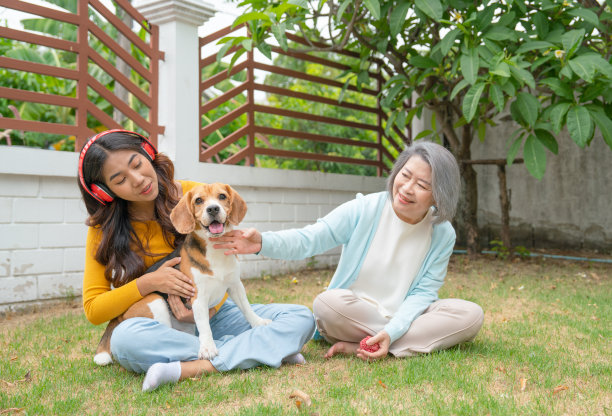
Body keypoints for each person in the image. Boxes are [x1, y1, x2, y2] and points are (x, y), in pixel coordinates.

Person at [78, 129, 315, 392]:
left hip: (216, 312)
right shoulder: (103, 229)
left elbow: (223, 267)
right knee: (125, 340)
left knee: (301, 317)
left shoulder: (194, 195)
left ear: (149, 154)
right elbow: (94, 309)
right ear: (104, 191)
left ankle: (199, 362)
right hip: (159, 323)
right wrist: (148, 283)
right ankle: (256, 349)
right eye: (120, 179)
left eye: (137, 163)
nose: (137, 179)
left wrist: (211, 310)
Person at [212, 141, 484, 361]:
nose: (407, 188)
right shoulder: (364, 209)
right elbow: (312, 238)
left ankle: (371, 344)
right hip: (351, 314)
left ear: (438, 195)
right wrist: (262, 243)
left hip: (405, 317)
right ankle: (390, 341)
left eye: (422, 185)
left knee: (470, 314)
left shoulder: (442, 233)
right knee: (327, 304)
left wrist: (394, 328)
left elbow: (424, 293)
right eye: (405, 175)